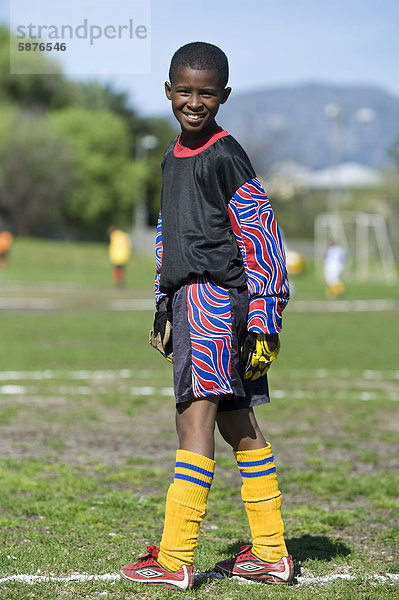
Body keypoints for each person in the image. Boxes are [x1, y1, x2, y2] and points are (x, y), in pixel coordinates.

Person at [120, 42, 292, 591]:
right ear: (168, 91)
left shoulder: (226, 154)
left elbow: (261, 235)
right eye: (185, 91)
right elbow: (171, 235)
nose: (195, 102)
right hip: (187, 300)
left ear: (224, 96)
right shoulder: (172, 157)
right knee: (236, 422)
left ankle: (174, 559)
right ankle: (272, 554)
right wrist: (160, 299)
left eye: (207, 93)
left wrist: (266, 317)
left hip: (215, 302)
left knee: (192, 421)